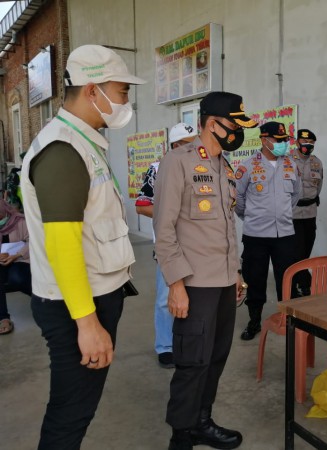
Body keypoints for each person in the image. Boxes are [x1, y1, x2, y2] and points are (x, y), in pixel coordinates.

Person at [20, 45, 145, 449]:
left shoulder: (82, 142)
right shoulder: (63, 150)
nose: (126, 101)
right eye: (122, 91)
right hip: (77, 306)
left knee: (77, 407)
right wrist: (87, 324)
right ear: (94, 91)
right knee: (70, 414)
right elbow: (62, 245)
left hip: (90, 298)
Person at [153, 91, 256, 450]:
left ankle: (201, 421)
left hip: (225, 281)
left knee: (216, 356)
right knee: (192, 363)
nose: (238, 133)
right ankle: (181, 436)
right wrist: (176, 285)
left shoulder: (223, 166)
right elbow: (163, 231)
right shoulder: (177, 162)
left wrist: (237, 272)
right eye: (234, 126)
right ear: (212, 124)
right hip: (195, 285)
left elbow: (226, 227)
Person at [135, 122, 196, 369]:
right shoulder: (157, 169)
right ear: (175, 146)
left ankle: (188, 342)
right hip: (169, 245)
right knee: (165, 297)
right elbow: (142, 204)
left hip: (196, 245)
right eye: (188, 145)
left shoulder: (203, 166)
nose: (194, 149)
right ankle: (165, 346)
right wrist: (175, 215)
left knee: (195, 296)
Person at [235, 121, 301, 340]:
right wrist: (253, 217)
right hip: (256, 235)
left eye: (284, 140)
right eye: (278, 140)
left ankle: (287, 319)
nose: (283, 144)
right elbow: (239, 199)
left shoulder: (291, 164)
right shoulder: (247, 166)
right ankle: (254, 321)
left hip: (285, 234)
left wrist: (281, 214)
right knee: (255, 279)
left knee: (287, 279)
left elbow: (295, 195)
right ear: (264, 140)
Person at [290, 128, 322, 296]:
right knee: (296, 252)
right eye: (304, 143)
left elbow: (319, 187)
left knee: (306, 250)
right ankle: (301, 284)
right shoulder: (287, 160)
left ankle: (301, 282)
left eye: (311, 143)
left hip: (310, 213)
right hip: (292, 213)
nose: (307, 146)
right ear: (297, 143)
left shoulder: (317, 163)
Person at [0, 199, 31, 335]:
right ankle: (3, 318)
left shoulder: (20, 221)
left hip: (21, 259)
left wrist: (16, 255)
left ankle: (49, 302)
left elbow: (34, 241)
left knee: (17, 278)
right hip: (1, 263)